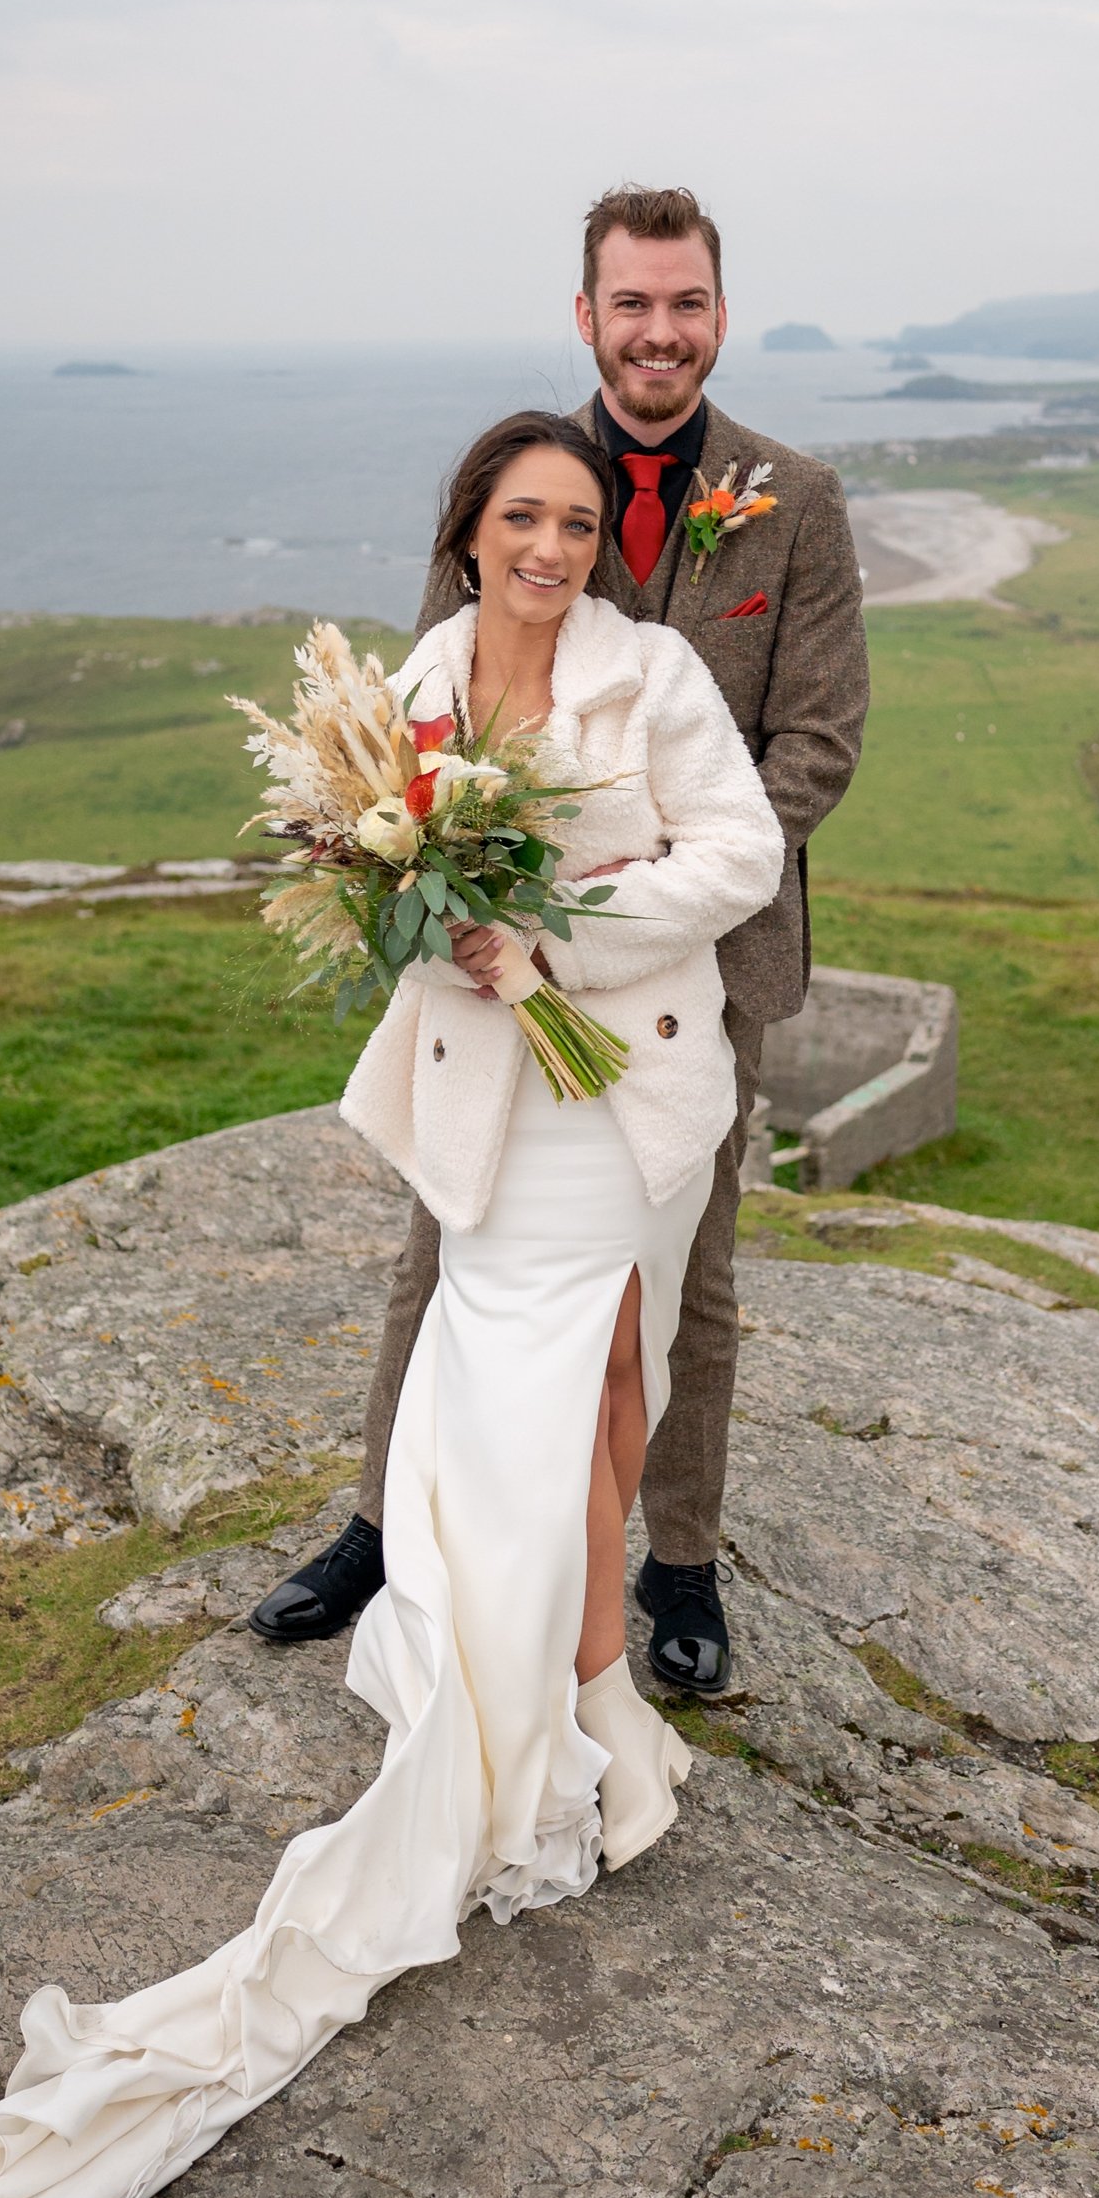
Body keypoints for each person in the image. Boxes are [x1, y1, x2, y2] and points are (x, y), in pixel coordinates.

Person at [0, 411, 784, 2198]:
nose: (550, 546)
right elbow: (386, 899)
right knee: (514, 1391)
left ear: (596, 545)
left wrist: (557, 926)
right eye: (520, 519)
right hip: (506, 1116)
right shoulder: (409, 680)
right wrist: (441, 921)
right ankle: (553, 1700)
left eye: (575, 521)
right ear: (467, 535)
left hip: (633, 1092)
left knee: (619, 1374)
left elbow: (743, 852)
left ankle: (580, 1695)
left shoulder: (651, 677)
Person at [254, 183, 869, 1694]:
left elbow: (818, 744)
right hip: (489, 956)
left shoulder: (798, 497)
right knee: (448, 1234)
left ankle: (679, 1564)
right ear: (586, 316)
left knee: (689, 1271)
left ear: (721, 315)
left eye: (688, 303)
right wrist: (469, 880)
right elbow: (431, 721)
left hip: (704, 957)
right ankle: (385, 1527)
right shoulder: (524, 478)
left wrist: (641, 891)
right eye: (632, 304)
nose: (661, 332)